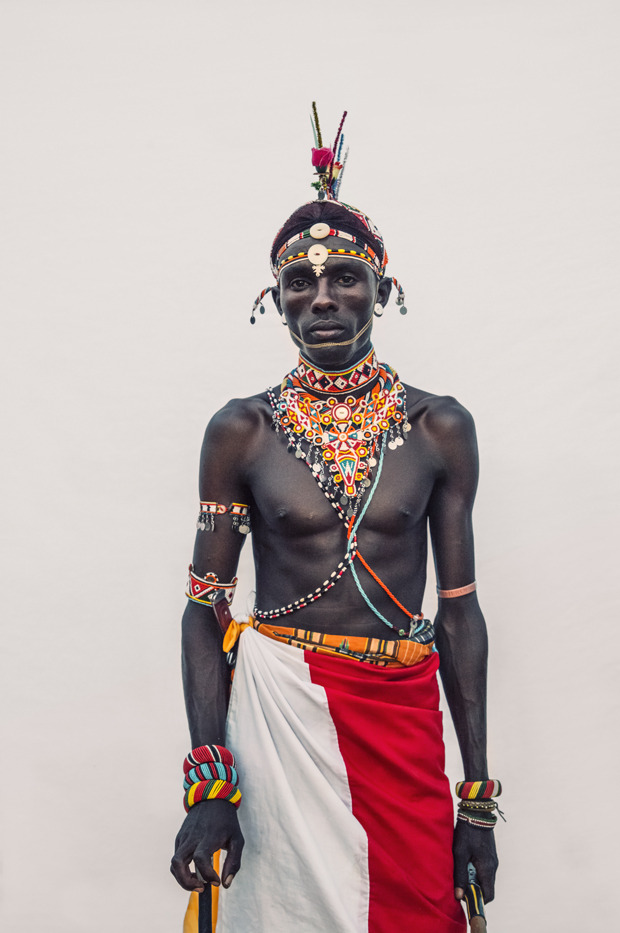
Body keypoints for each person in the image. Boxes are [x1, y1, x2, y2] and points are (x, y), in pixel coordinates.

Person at [171, 107, 499, 933]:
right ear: (274, 301)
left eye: (346, 278)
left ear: (382, 292)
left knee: (420, 913)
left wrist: (478, 798)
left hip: (401, 718)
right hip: (281, 722)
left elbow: (458, 610)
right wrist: (209, 782)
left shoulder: (439, 428)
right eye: (300, 283)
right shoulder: (241, 430)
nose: (323, 297)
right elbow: (204, 606)